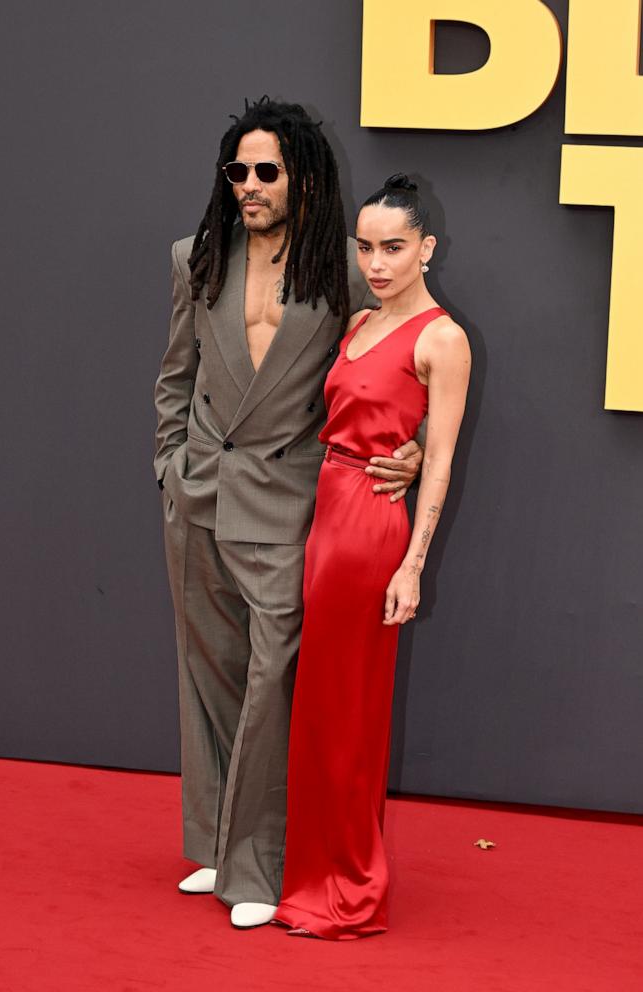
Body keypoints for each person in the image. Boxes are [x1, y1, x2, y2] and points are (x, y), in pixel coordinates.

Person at [153, 101, 423, 929]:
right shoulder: (195, 257)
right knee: (210, 678)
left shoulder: (349, 267)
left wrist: (404, 448)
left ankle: (259, 865)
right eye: (237, 171)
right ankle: (214, 844)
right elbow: (173, 374)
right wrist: (169, 466)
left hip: (290, 502)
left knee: (274, 686)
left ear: (301, 175)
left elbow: (399, 356)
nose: (248, 186)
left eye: (266, 171)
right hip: (199, 493)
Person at [274, 174, 472, 940]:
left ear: (427, 247)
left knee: (350, 714)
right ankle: (311, 874)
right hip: (326, 514)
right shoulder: (357, 319)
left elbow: (443, 458)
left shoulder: (442, 338)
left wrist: (412, 563)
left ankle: (350, 889)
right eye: (365, 247)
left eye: (393, 247)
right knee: (320, 709)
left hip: (370, 531)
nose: (376, 262)